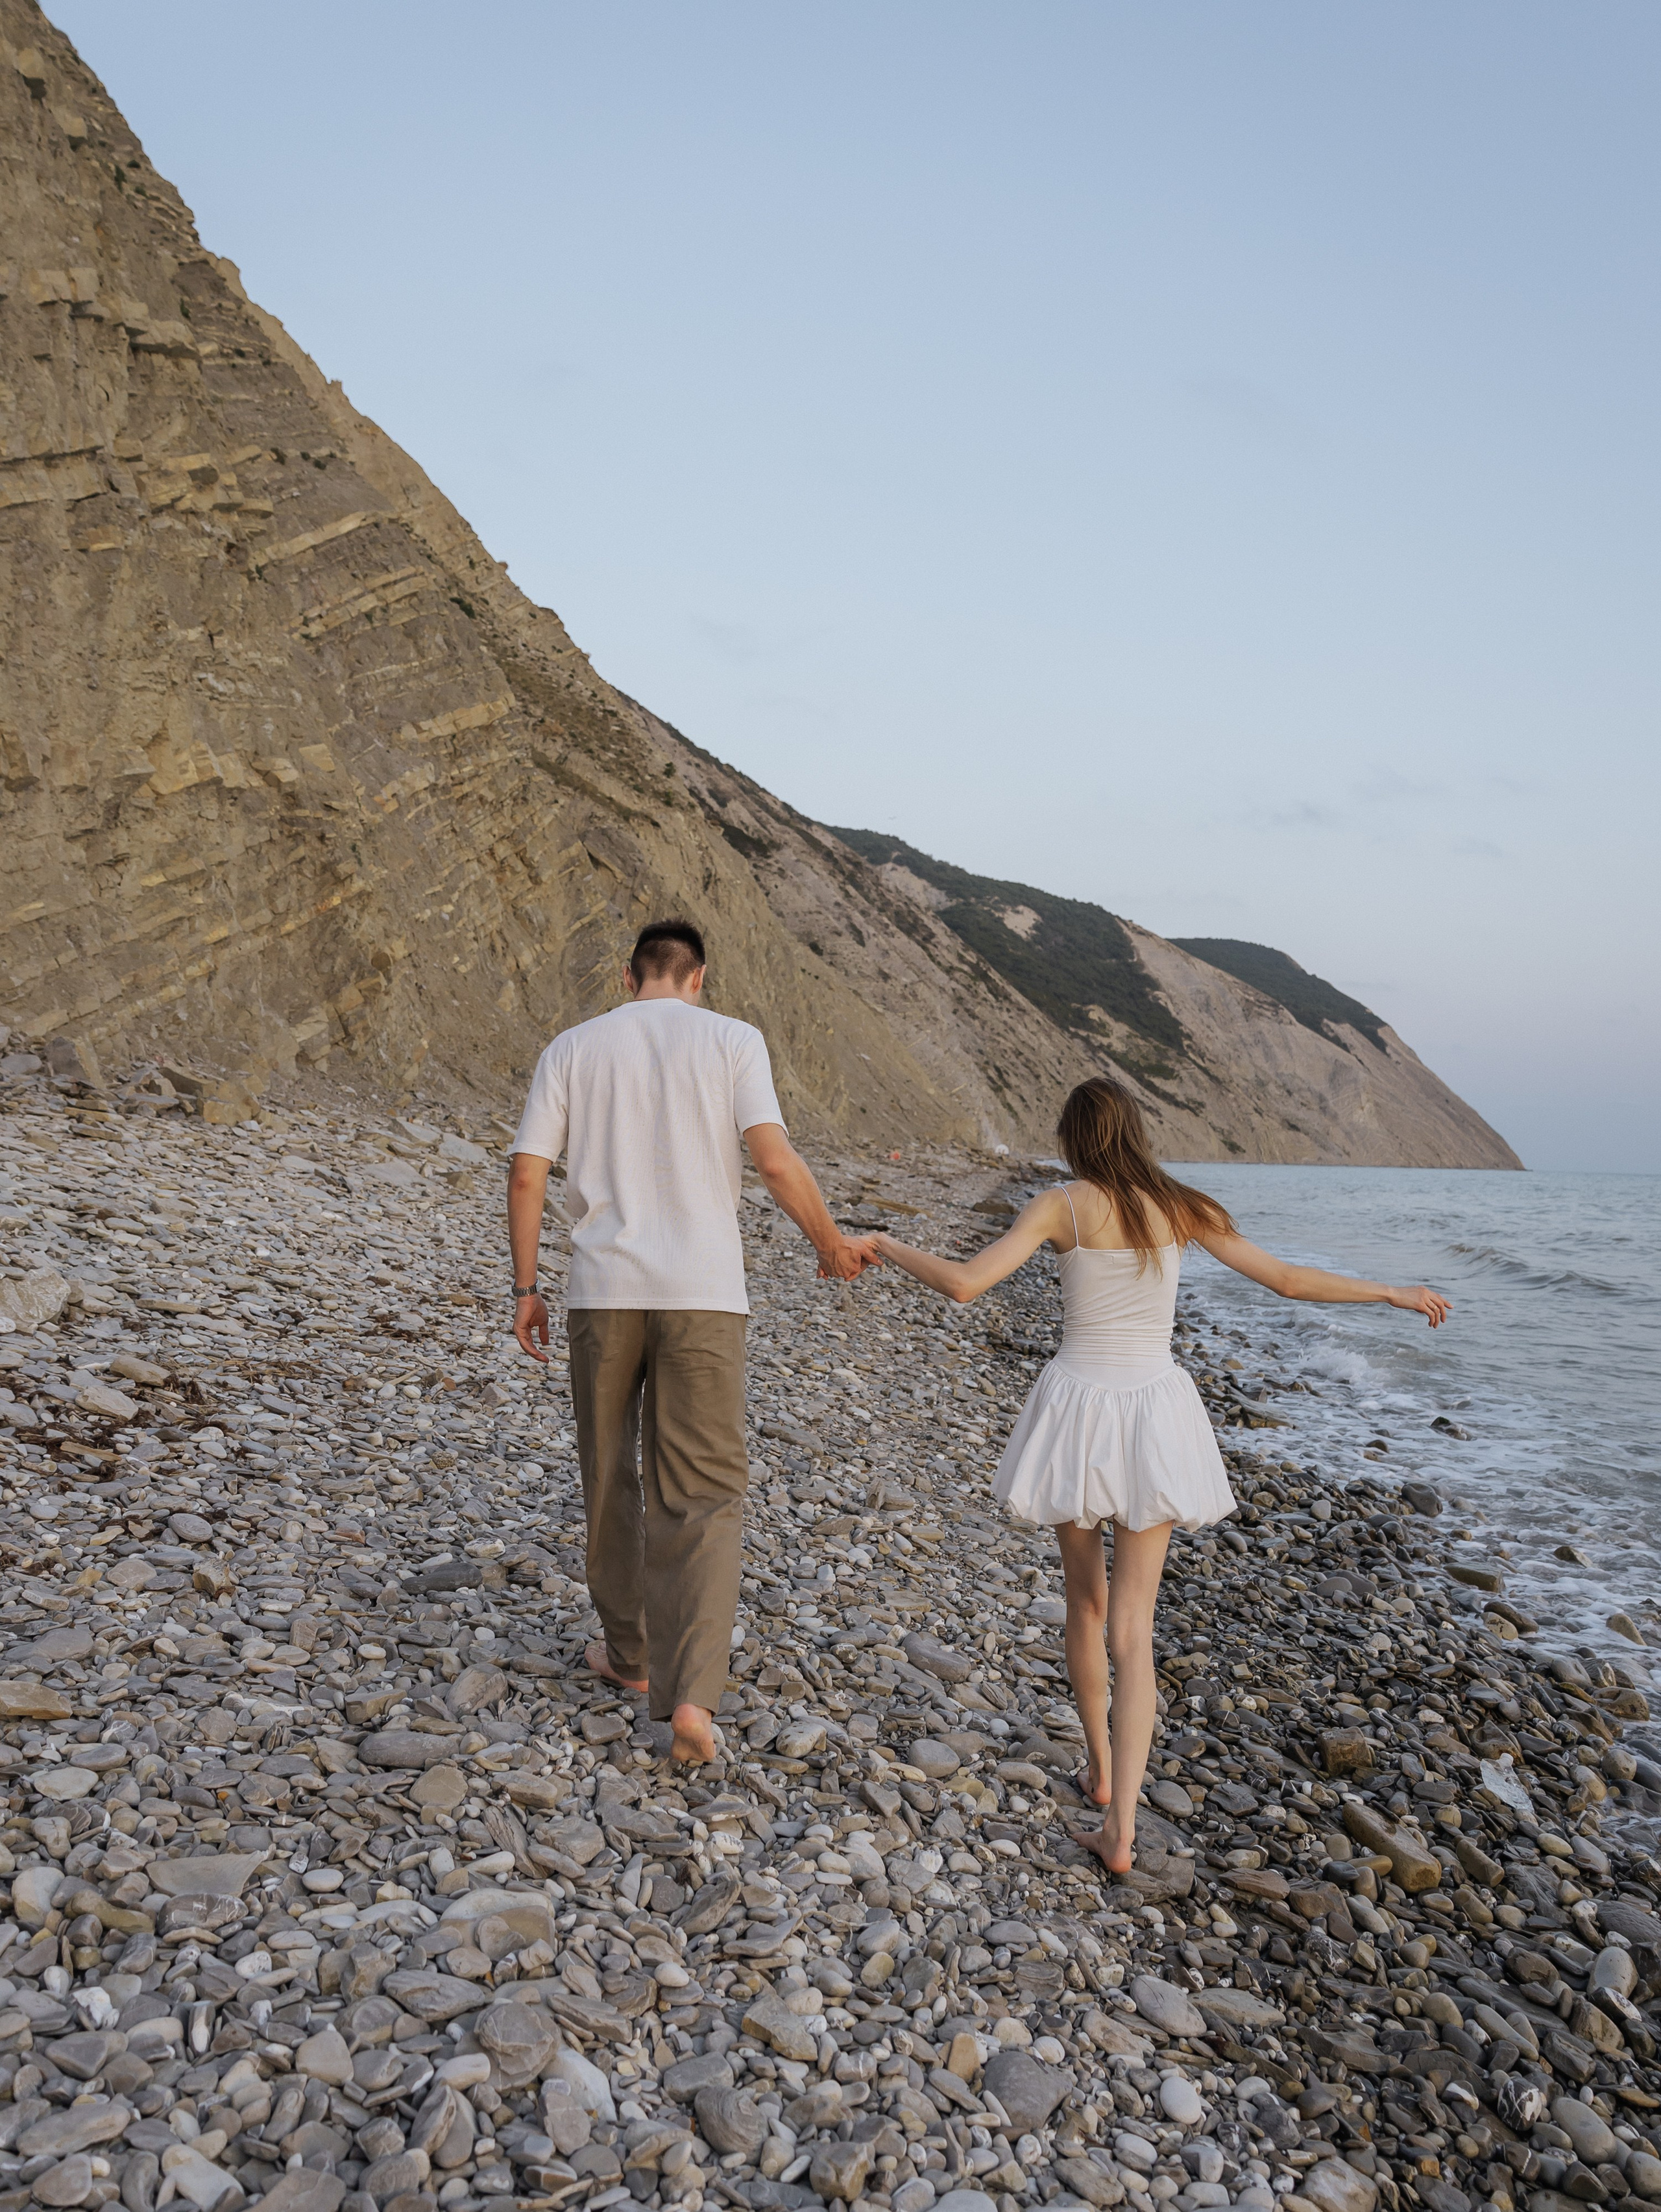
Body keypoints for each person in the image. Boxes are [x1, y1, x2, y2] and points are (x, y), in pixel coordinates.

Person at [867, 1074, 1450, 1877]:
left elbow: (968, 1283)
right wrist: (1390, 1288)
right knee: (1133, 1630)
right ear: (1135, 1132)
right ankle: (1123, 1824)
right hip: (1153, 1411)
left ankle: (1101, 1768)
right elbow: (1283, 1278)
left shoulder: (1061, 1204)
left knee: (1085, 1601)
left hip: (1077, 1407)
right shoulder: (1180, 1205)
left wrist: (886, 1245)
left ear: (1075, 1138)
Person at [507, 919, 879, 1766]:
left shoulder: (573, 1046)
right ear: (699, 978)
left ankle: (630, 1655)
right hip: (706, 1295)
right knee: (704, 1493)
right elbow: (775, 1159)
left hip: (604, 1292)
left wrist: (528, 1288)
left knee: (610, 1475)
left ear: (629, 974)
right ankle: (694, 1697)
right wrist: (828, 1242)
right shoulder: (733, 1041)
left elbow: (529, 1171)